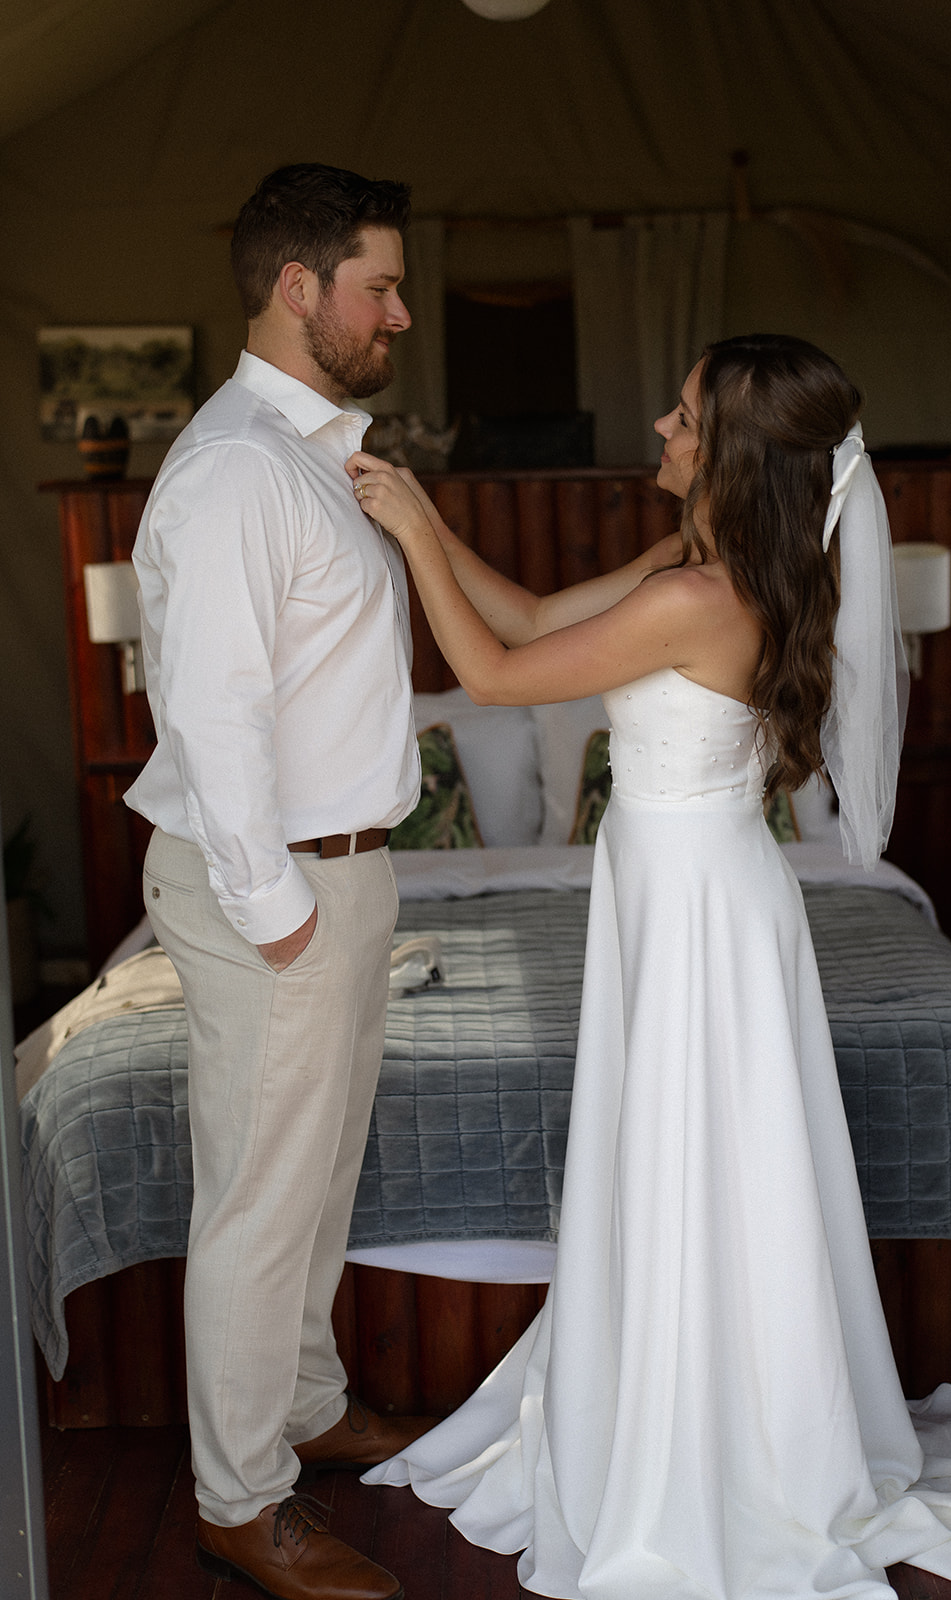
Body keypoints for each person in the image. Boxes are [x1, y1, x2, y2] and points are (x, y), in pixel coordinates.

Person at [344, 334, 951, 1600]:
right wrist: (429, 518)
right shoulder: (696, 567)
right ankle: (690, 1389)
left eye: (682, 418)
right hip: (683, 888)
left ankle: (717, 1434)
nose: (662, 431)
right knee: (699, 1148)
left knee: (699, 1145)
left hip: (695, 902)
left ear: (733, 449)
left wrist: (409, 526)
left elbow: (495, 673)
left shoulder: (699, 597)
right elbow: (519, 614)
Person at [126, 163, 436, 1600]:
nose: (403, 311)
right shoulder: (239, 467)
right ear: (297, 288)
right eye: (380, 285)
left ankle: (304, 1410)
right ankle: (238, 1500)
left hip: (345, 870)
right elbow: (214, 713)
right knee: (257, 1198)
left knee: (315, 1181)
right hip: (278, 890)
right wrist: (283, 912)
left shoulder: (318, 452)